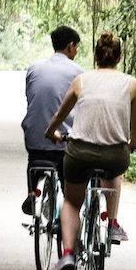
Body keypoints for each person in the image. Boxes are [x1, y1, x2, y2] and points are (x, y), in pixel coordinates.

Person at [43, 32, 136, 270]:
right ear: (119, 58)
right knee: (114, 170)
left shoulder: (81, 80)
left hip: (79, 153)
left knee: (72, 202)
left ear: (95, 56)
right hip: (115, 155)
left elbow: (60, 115)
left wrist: (50, 132)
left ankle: (67, 254)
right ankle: (113, 223)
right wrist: (133, 143)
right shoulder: (131, 84)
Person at [21, 25, 83, 215]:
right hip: (64, 142)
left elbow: (31, 99)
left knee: (35, 160)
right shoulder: (78, 72)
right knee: (70, 186)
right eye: (76, 48)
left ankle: (32, 192)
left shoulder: (34, 68)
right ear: (71, 46)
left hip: (35, 139)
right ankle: (69, 208)